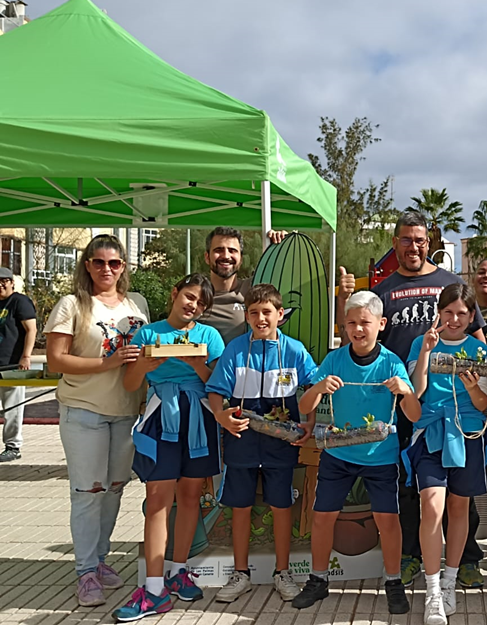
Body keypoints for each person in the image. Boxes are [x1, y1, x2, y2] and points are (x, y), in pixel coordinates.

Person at [338, 211, 487, 588]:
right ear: (395, 244)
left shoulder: (451, 283)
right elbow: (362, 342)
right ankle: (410, 555)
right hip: (404, 400)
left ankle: (466, 556)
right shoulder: (382, 292)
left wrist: (482, 381)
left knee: (460, 489)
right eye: (406, 239)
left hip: (454, 406)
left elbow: (479, 340)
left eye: (420, 239)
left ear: (429, 243)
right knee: (409, 484)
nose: (413, 246)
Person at [292, 291, 415, 615]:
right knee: (322, 518)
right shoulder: (334, 360)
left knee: (388, 521)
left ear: (381, 324)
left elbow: (414, 415)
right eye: (351, 323)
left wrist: (404, 391)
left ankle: (392, 581)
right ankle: (318, 580)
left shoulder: (392, 362)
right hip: (339, 453)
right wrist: (318, 388)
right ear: (343, 326)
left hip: (380, 456)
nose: (358, 329)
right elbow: (305, 407)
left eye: (365, 323)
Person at [45, 234, 150, 607]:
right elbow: (55, 359)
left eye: (115, 263)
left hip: (126, 412)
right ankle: (85, 571)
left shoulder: (137, 303)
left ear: (124, 266)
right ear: (87, 264)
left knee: (114, 490)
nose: (107, 269)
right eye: (99, 262)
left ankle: (100, 559)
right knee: (87, 493)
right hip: (84, 410)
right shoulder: (72, 304)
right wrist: (106, 363)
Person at [113, 274, 225, 621]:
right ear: (175, 294)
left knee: (191, 496)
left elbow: (218, 384)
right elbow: (131, 383)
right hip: (162, 415)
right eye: (189, 297)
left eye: (201, 303)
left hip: (199, 419)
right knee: (159, 499)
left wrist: (198, 365)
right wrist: (146, 364)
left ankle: (179, 571)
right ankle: (153, 588)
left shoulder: (209, 336)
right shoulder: (148, 333)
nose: (193, 305)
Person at [208, 284, 318, 603]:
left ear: (280, 315)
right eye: (253, 312)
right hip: (241, 439)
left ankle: (283, 573)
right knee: (240, 508)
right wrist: (221, 416)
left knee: (281, 507)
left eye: (266, 312)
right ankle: (240, 573)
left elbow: (314, 389)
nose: (260, 318)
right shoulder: (235, 349)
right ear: (246, 315)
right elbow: (216, 391)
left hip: (280, 443)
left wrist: (308, 423)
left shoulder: (295, 350)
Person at [404, 284, 487, 625]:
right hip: (431, 433)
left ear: (472, 316)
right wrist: (427, 351)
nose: (454, 319)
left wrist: (473, 387)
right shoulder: (422, 342)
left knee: (459, 508)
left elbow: (484, 404)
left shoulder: (478, 350)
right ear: (438, 313)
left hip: (468, 435)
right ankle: (431, 591)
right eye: (448, 312)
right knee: (431, 505)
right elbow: (417, 390)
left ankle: (450, 581)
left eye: (462, 313)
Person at [198, 227, 287, 344]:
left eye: (232, 250)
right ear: (207, 257)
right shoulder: (197, 297)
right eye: (219, 250)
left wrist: (284, 243)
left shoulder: (255, 288)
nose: (226, 255)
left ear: (241, 259)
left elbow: (288, 276)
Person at [0, 267, 37, 463]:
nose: (0, 284)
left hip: (11, 364)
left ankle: (13, 446)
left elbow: (31, 329)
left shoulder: (19, 302)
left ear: (12, 282)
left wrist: (26, 356)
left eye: (4, 280)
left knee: (12, 408)